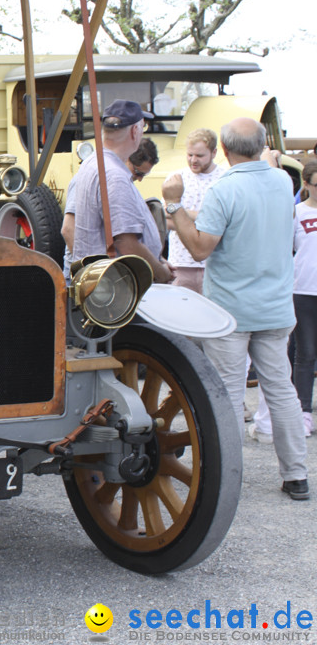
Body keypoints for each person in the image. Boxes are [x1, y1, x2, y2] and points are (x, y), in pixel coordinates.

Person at [165, 117, 309, 501]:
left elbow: (199, 248)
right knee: (281, 390)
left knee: (227, 393)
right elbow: (271, 173)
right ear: (262, 146)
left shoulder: (222, 189)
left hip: (230, 310)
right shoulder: (282, 182)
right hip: (276, 306)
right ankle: (296, 474)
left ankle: (227, 477)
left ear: (224, 151)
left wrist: (173, 204)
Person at [67, 101, 174, 283]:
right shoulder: (114, 175)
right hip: (115, 287)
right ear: (134, 131)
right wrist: (162, 274)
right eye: (142, 127)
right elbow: (126, 243)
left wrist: (158, 259)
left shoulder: (92, 163)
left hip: (103, 282)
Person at [162, 128, 224, 293]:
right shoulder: (176, 177)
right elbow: (165, 217)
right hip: (180, 263)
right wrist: (205, 222)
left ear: (214, 152)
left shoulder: (224, 179)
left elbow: (226, 221)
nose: (193, 160)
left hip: (213, 265)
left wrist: (180, 214)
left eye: (200, 156)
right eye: (190, 155)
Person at [291, 160, 317, 439]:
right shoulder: (296, 213)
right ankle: (303, 412)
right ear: (307, 184)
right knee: (305, 353)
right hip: (304, 290)